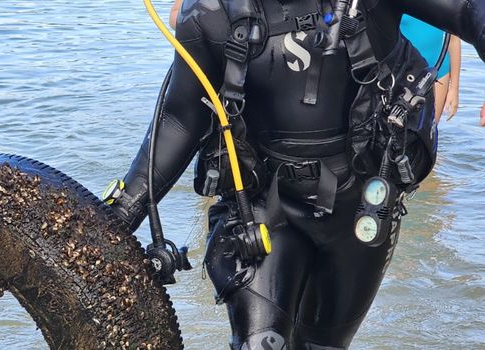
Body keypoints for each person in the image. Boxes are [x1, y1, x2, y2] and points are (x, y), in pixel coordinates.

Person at [105, 0, 485, 348]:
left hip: (359, 210)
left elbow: (470, 13)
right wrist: (119, 214)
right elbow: (180, 119)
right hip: (262, 206)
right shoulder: (209, 12)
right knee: (260, 343)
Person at [400, 15, 461, 123]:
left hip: (438, 70)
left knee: (429, 131)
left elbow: (453, 40)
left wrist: (454, 89)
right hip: (402, 71)